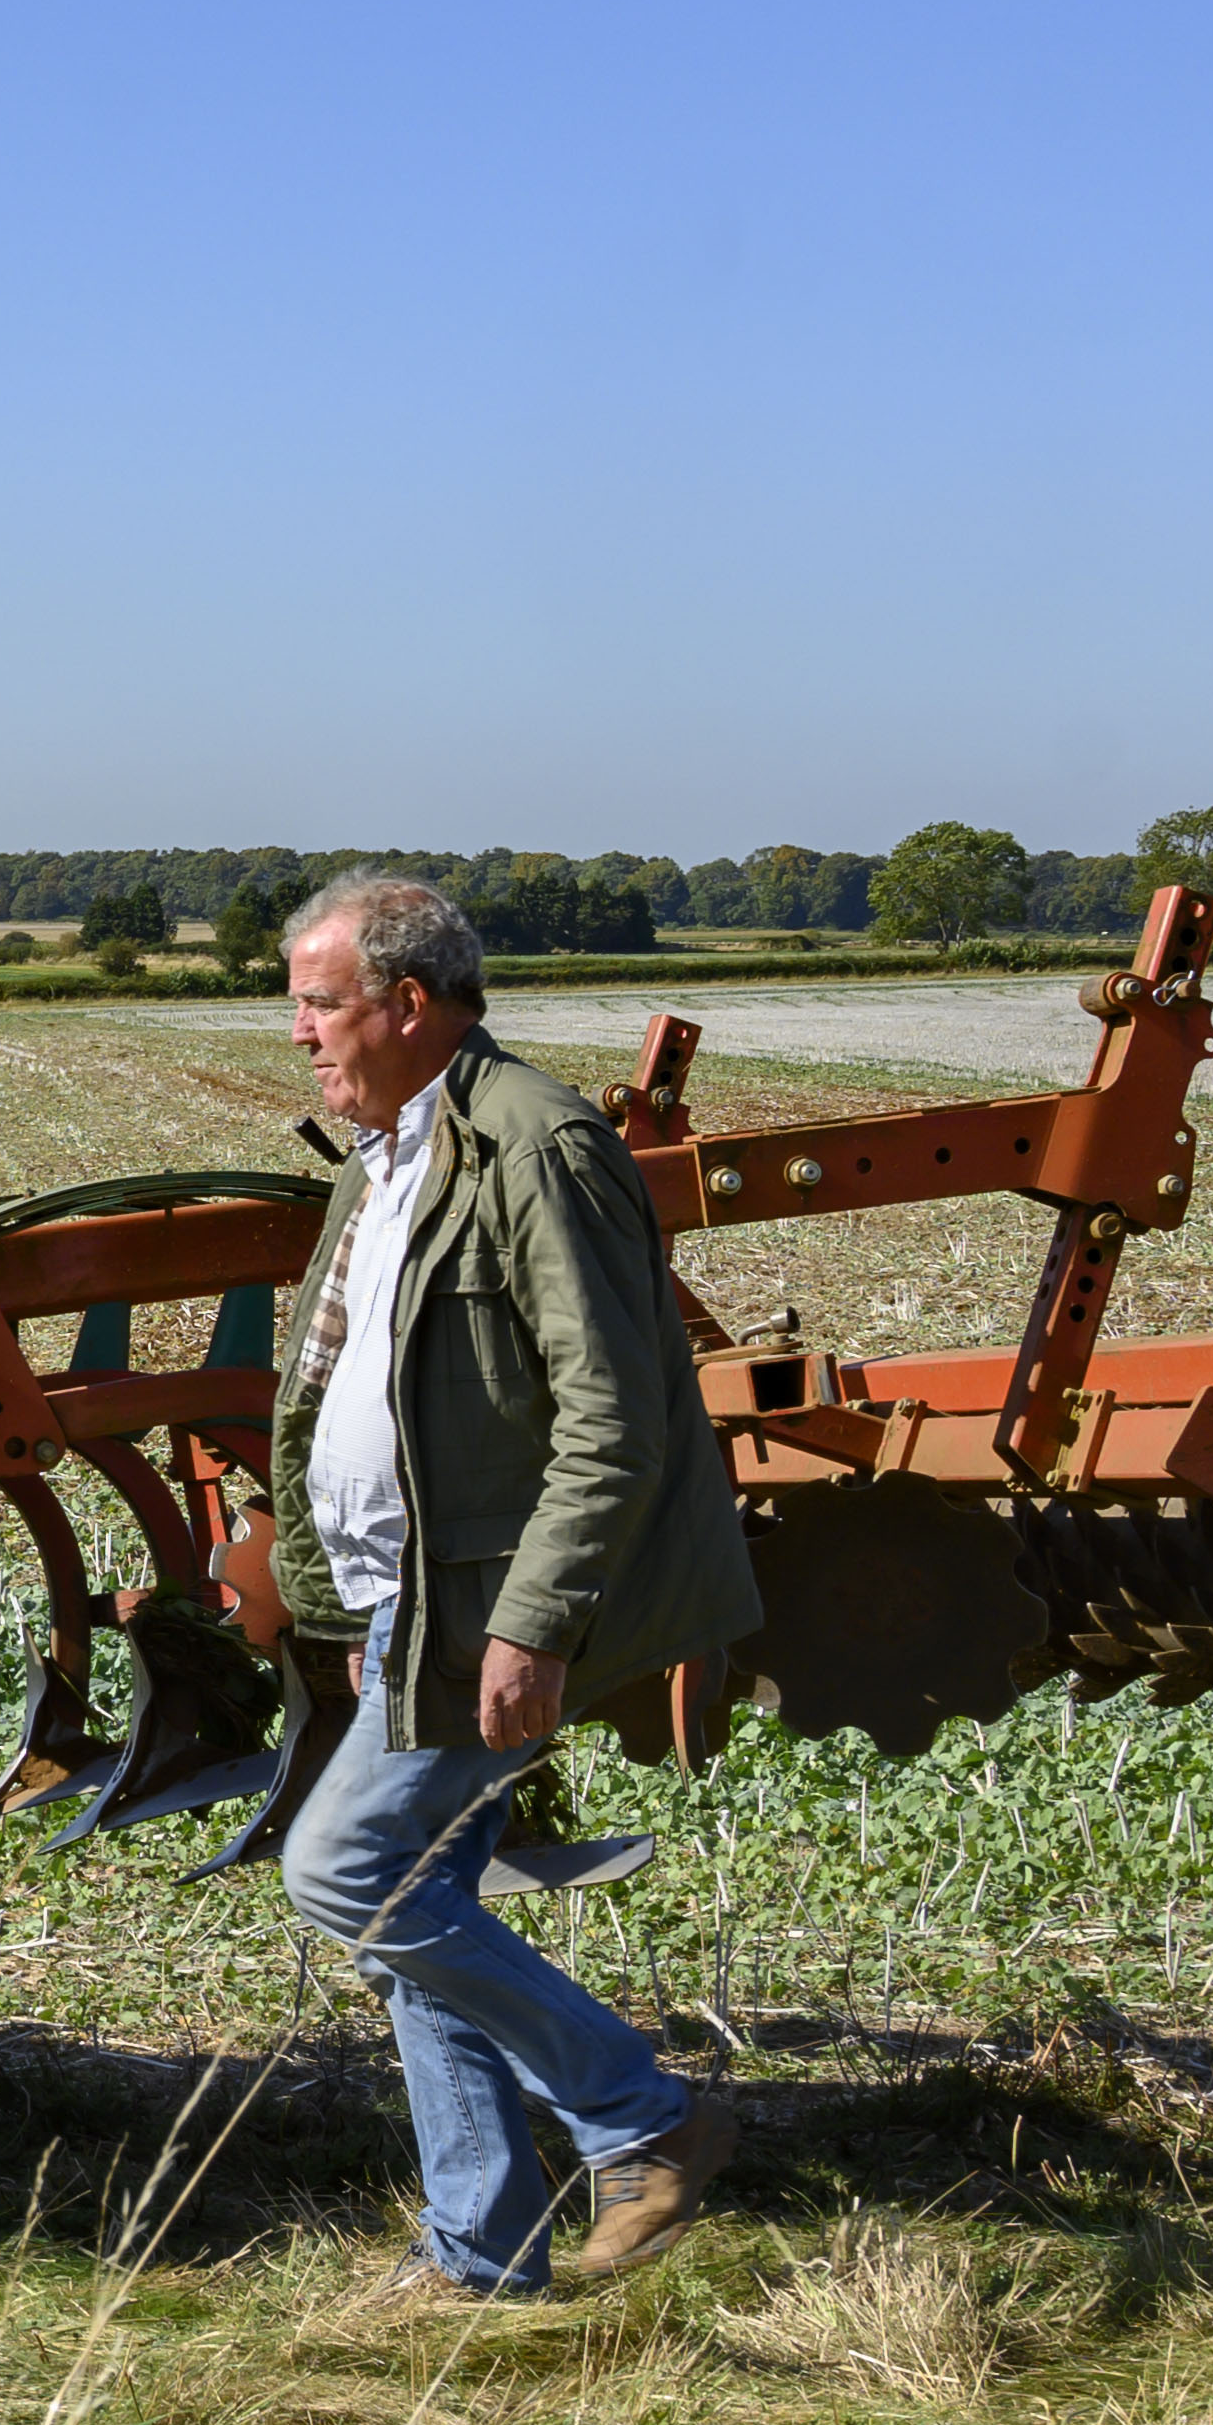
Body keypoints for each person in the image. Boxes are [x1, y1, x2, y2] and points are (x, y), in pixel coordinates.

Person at [267, 870, 765, 2292]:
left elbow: (614, 1415)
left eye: (318, 1005)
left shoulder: (536, 1148)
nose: (300, 1035)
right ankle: (482, 2254)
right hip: (399, 1605)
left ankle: (642, 2117)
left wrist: (534, 1624)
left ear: (407, 1003)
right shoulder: (389, 1153)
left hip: (483, 1608)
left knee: (353, 1877)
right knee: (415, 1922)